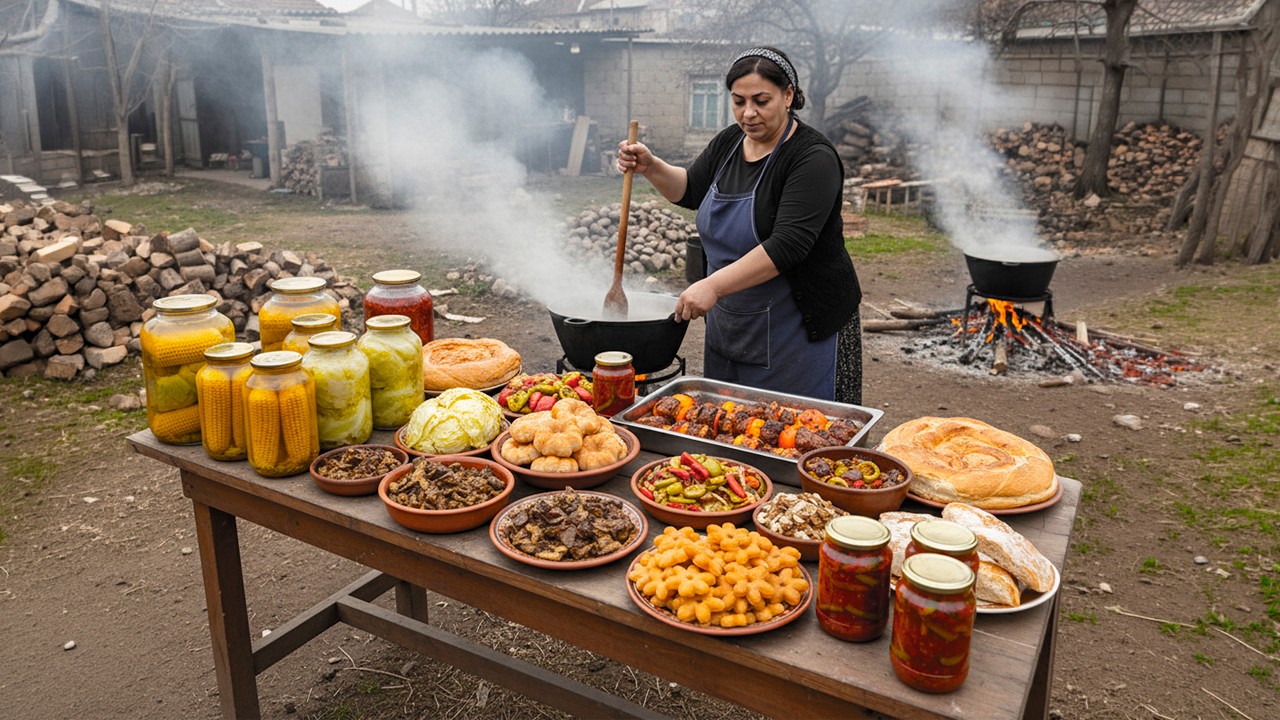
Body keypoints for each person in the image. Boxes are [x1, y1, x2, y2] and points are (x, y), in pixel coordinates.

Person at [617, 46, 863, 404]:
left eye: (761, 101)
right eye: (738, 101)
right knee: (730, 425)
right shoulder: (731, 142)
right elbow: (690, 189)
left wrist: (713, 286)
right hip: (734, 323)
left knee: (797, 436)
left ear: (788, 95)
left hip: (799, 327)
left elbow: (788, 245)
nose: (748, 113)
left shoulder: (812, 157)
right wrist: (651, 166)